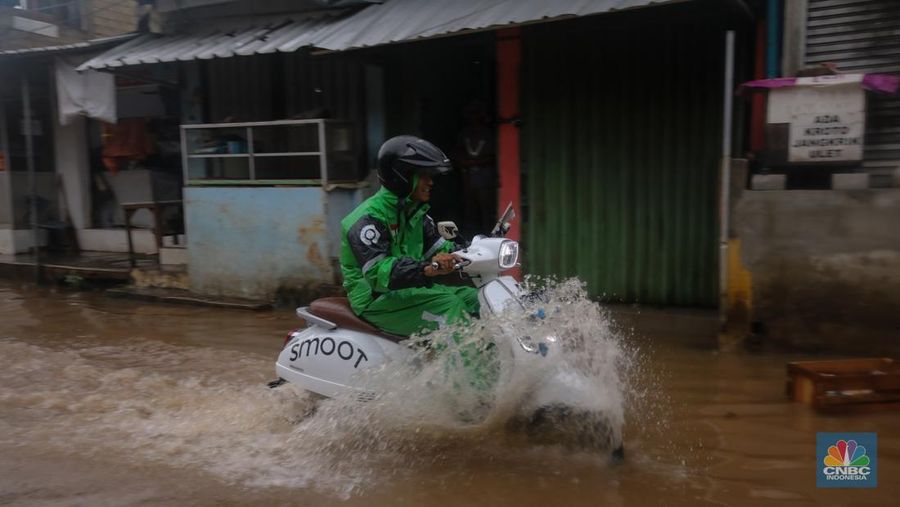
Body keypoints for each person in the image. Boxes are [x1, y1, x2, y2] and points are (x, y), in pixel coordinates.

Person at [340, 135, 479, 337]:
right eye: (424, 176)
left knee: (477, 299)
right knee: (449, 306)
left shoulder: (416, 214)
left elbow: (442, 249)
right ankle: (465, 369)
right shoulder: (366, 221)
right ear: (402, 176)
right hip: (377, 299)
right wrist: (428, 268)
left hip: (410, 291)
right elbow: (380, 274)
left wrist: (473, 251)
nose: (431, 182)